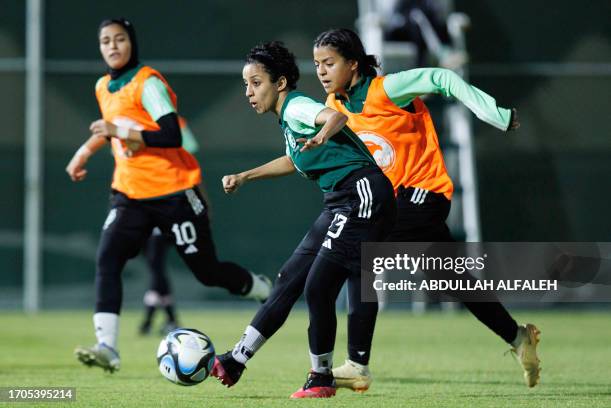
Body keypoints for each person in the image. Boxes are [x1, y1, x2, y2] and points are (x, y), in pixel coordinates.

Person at [312, 28, 540, 391]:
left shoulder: (385, 89)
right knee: (457, 282)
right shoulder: (336, 107)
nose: (321, 71)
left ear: (352, 64)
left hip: (423, 193)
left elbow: (441, 77)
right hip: (398, 202)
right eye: (317, 64)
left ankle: (357, 363)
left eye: (329, 63)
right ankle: (519, 338)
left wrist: (493, 113)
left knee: (363, 251)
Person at [65, 18, 271, 373]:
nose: (112, 46)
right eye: (105, 41)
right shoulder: (103, 86)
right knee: (108, 258)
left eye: (119, 39)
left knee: (207, 271)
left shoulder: (148, 82)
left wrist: (116, 130)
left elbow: (171, 134)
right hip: (129, 193)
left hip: (174, 190)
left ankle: (260, 288)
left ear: (132, 42)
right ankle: (108, 347)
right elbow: (110, 127)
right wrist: (84, 152)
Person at [212, 41, 396, 399]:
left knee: (319, 285)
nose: (249, 92)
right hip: (340, 200)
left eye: (256, 83)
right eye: (245, 86)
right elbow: (292, 160)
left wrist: (322, 133)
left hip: (362, 193)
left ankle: (322, 376)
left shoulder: (297, 106)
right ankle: (237, 358)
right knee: (288, 279)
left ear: (280, 83)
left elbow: (335, 117)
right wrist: (245, 176)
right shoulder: (287, 121)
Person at [138, 117, 200, 336]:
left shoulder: (176, 124)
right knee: (154, 265)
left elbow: (188, 157)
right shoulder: (128, 120)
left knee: (155, 263)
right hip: (136, 200)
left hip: (166, 199)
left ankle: (165, 318)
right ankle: (161, 318)